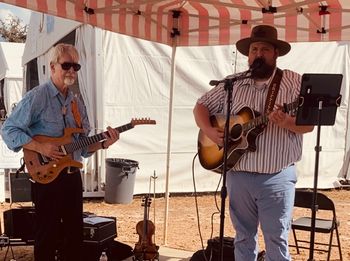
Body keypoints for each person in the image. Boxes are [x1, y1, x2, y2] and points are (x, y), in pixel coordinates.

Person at [193, 25, 314, 261]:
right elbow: (200, 106)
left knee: (276, 239)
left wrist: (286, 122)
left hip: (275, 176)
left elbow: (308, 125)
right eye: (254, 49)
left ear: (275, 53)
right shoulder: (233, 83)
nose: (258, 54)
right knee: (243, 237)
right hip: (238, 175)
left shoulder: (293, 82)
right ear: (248, 55)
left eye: (265, 49)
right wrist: (209, 129)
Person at [1, 43, 119, 261]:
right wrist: (40, 147)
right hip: (46, 178)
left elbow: (82, 147)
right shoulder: (37, 97)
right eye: (66, 65)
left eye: (76, 66)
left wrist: (103, 143)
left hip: (72, 178)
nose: (71, 70)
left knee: (74, 235)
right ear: (53, 66)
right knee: (47, 235)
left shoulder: (77, 103)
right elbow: (8, 130)